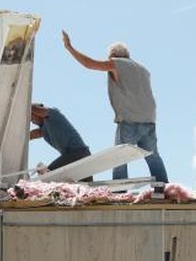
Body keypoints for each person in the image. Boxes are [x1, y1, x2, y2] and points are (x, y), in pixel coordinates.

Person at [61, 31, 169, 183]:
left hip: (130, 119)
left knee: (119, 157)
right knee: (152, 155)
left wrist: (69, 48)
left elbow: (89, 64)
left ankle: (120, 192)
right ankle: (162, 188)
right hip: (149, 119)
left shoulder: (117, 63)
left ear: (113, 55)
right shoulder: (143, 69)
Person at [29, 103, 93, 182]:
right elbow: (28, 136)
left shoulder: (53, 114)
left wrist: (23, 106)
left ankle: (42, 168)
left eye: (31, 117)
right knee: (88, 190)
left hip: (77, 154)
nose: (32, 122)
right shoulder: (43, 130)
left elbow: (31, 107)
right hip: (80, 156)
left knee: (48, 177)